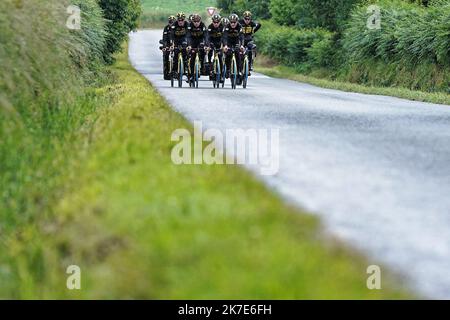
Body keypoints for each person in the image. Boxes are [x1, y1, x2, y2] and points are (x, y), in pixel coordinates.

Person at [222, 14, 244, 82]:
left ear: (237, 21)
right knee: (228, 54)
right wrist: (225, 45)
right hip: (228, 41)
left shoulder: (239, 26)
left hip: (236, 41)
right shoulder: (227, 26)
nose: (233, 24)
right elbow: (224, 36)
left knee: (238, 54)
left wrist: (242, 45)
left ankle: (239, 70)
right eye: (231, 22)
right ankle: (228, 69)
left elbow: (241, 37)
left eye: (234, 22)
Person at [187, 14, 208, 79]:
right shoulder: (190, 26)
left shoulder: (202, 25)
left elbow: (206, 36)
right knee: (192, 58)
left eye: (197, 21)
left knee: (202, 53)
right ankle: (191, 74)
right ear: (192, 21)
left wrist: (206, 45)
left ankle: (202, 66)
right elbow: (188, 36)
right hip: (192, 41)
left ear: (200, 21)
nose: (196, 23)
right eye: (194, 22)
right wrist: (189, 45)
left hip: (200, 41)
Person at [170, 12, 189, 77]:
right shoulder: (174, 24)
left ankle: (186, 68)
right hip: (176, 40)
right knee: (176, 54)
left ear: (184, 20)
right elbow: (171, 35)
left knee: (185, 54)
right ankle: (174, 70)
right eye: (179, 20)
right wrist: (172, 44)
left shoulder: (187, 24)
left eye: (182, 20)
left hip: (184, 40)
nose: (180, 22)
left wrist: (189, 45)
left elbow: (189, 35)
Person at [206, 14, 224, 81]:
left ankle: (221, 75)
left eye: (217, 22)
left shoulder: (222, 27)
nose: (216, 24)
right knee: (210, 54)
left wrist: (223, 45)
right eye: (214, 22)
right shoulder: (210, 27)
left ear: (220, 21)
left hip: (219, 43)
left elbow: (224, 37)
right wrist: (208, 45)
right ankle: (211, 69)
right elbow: (207, 37)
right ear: (212, 21)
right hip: (212, 43)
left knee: (220, 57)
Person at [162, 15, 176, 80]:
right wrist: (164, 46)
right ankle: (167, 72)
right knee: (166, 56)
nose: (171, 24)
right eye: (170, 22)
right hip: (168, 44)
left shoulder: (177, 28)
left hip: (176, 44)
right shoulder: (166, 28)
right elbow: (164, 38)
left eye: (172, 22)